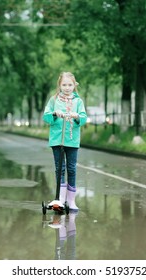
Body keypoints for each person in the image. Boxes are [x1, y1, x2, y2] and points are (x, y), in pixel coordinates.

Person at [43, 72, 87, 210]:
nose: (67, 87)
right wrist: (54, 114)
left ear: (74, 85)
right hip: (57, 140)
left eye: (70, 85)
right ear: (59, 85)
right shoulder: (54, 100)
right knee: (59, 168)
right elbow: (46, 117)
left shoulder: (78, 101)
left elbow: (84, 118)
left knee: (72, 168)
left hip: (72, 140)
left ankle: (71, 200)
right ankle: (60, 199)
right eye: (64, 85)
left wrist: (77, 116)